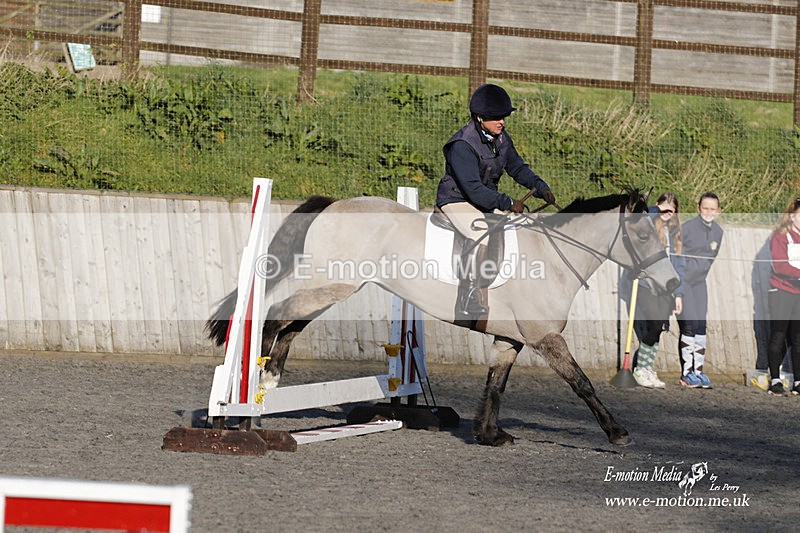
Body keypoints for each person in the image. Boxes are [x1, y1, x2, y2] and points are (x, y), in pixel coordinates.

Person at [435, 83, 555, 317]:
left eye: (503, 116)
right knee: (478, 233)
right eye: (496, 117)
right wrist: (508, 202)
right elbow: (473, 190)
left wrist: (540, 187)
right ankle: (468, 296)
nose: (502, 121)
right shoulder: (462, 145)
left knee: (518, 227)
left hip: (482, 199)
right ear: (480, 118)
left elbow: (517, 167)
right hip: (457, 199)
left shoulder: (501, 138)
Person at [631, 192, 685, 388]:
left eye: (673, 210)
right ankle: (640, 369)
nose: (668, 212)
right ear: (658, 206)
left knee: (659, 328)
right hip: (648, 284)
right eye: (665, 208)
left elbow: (680, 265)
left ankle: (647, 367)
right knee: (654, 324)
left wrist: (679, 293)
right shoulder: (649, 227)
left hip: (667, 287)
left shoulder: (676, 233)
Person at [676, 192, 723, 388]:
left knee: (701, 326)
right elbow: (677, 259)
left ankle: (699, 371)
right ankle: (687, 372)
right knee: (688, 325)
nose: (708, 212)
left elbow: (709, 261)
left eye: (713, 209)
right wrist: (678, 291)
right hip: (684, 282)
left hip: (700, 283)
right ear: (698, 208)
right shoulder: (686, 229)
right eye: (705, 208)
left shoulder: (719, 232)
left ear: (718, 211)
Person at [765, 197, 800, 395]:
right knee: (778, 336)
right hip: (782, 291)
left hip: (798, 293)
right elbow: (780, 265)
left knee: (798, 338)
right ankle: (775, 378)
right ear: (792, 216)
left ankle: (798, 380)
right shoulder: (780, 236)